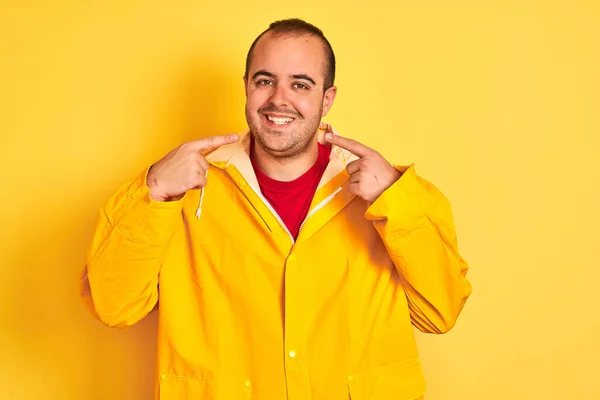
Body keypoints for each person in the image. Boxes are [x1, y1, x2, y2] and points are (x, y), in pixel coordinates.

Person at [80, 18, 472, 400]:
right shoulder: (181, 191)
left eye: (300, 84)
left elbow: (441, 312)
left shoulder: (388, 195)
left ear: (327, 98)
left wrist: (396, 200)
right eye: (264, 80)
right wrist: (154, 189)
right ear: (246, 88)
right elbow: (114, 306)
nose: (278, 99)